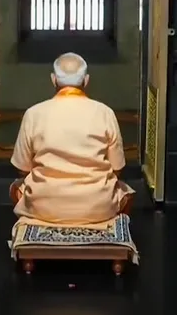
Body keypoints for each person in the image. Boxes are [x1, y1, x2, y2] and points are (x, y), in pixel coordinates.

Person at [9, 52, 135, 227]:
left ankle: (40, 226)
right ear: (86, 80)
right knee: (126, 193)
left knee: (15, 188)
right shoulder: (105, 113)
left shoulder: (33, 114)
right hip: (97, 206)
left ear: (53, 80)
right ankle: (104, 227)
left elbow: (22, 169)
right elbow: (118, 168)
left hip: (44, 207)